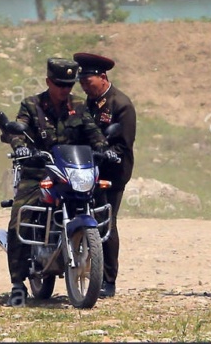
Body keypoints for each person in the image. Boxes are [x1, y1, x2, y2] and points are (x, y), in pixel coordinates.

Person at [2, 57, 117, 307]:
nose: (65, 89)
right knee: (19, 217)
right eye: (59, 84)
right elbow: (18, 128)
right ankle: (17, 284)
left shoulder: (79, 105)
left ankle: (102, 274)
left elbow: (93, 132)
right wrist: (20, 147)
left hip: (70, 169)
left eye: (68, 84)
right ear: (48, 82)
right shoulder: (32, 105)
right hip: (38, 170)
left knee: (96, 200)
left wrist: (103, 149)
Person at [73, 52, 137, 299]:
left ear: (102, 77)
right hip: (84, 171)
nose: (85, 87)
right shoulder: (87, 103)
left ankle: (108, 280)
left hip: (112, 174)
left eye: (88, 82)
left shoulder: (121, 105)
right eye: (82, 83)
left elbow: (123, 146)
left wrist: (106, 155)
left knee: (105, 223)